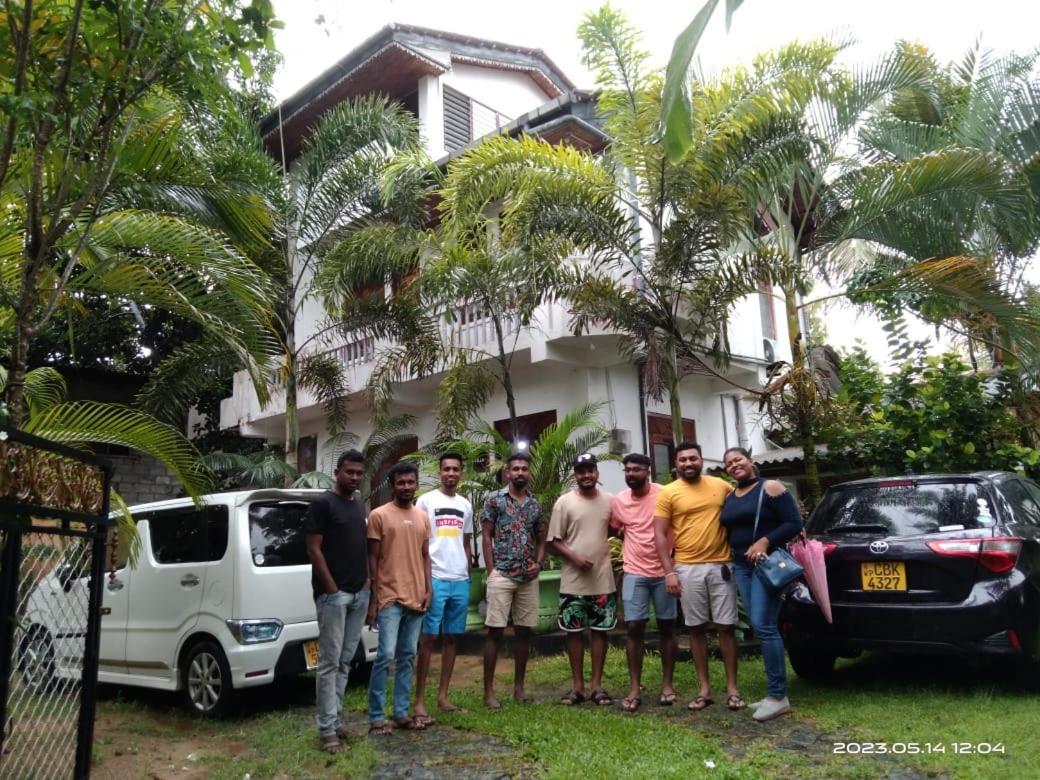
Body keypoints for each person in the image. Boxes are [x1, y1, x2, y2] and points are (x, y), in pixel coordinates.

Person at [653, 442, 744, 711]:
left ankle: (732, 688)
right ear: (676, 464)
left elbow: (745, 505)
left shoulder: (721, 486)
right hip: (687, 567)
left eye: (693, 458)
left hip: (722, 565)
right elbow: (659, 535)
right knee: (696, 628)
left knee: (726, 627)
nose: (688, 464)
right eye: (682, 460)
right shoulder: (668, 493)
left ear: (701, 460)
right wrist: (669, 571)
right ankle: (704, 689)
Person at [720, 447, 802, 722]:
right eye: (729, 463)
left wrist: (765, 541)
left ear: (750, 460)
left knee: (765, 625)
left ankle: (778, 697)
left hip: (765, 566)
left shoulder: (771, 487)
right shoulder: (731, 495)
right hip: (742, 567)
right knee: (761, 625)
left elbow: (793, 523)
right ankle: (772, 695)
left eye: (738, 460)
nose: (734, 465)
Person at [306, 449, 371, 753]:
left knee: (346, 661)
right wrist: (331, 588)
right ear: (337, 472)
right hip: (334, 596)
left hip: (359, 593)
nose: (355, 478)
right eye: (350, 472)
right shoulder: (322, 504)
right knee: (329, 663)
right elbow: (314, 549)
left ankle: (336, 721)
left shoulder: (358, 504)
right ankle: (325, 731)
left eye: (359, 473)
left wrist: (367, 582)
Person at [366, 461, 432, 735]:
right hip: (390, 598)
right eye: (401, 483)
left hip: (416, 597)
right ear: (392, 485)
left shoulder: (422, 517)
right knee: (385, 655)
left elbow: (425, 555)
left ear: (416, 484)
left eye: (410, 482)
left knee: (407, 656)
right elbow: (373, 558)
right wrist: (375, 595)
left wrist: (429, 589)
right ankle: (377, 718)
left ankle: (401, 713)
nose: (406, 487)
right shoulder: (379, 515)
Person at [609, 452, 678, 713]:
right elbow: (615, 528)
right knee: (634, 627)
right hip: (633, 571)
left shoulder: (665, 494)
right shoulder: (619, 501)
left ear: (648, 471)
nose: (631, 474)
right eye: (627, 470)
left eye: (636, 470)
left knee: (667, 627)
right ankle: (634, 687)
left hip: (664, 571)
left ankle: (667, 685)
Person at [547, 452, 616, 706]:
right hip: (573, 582)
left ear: (597, 473)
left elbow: (619, 529)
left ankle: (597, 686)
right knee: (573, 633)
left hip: (603, 580)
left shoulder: (610, 501)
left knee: (600, 633)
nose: (586, 475)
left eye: (591, 470)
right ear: (575, 475)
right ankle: (577, 686)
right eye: (581, 471)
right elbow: (553, 541)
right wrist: (574, 557)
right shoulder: (564, 502)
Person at [412, 451, 474, 724]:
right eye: (446, 469)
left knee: (452, 638)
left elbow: (466, 541)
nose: (451, 473)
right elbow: (419, 543)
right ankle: (419, 700)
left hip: (459, 579)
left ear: (461, 473)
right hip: (434, 577)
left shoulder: (466, 505)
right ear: (440, 472)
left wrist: (468, 571)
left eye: (456, 469)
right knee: (428, 639)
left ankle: (443, 696)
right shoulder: (425, 501)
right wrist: (423, 580)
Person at [481, 451, 545, 709]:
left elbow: (542, 538)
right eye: (515, 469)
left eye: (524, 469)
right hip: (502, 575)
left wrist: (538, 565)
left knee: (523, 632)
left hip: (527, 577)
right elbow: (486, 537)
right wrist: (490, 570)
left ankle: (519, 689)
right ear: (507, 472)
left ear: (529, 473)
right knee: (495, 631)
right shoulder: (493, 500)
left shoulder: (535, 505)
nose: (520, 473)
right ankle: (488, 692)